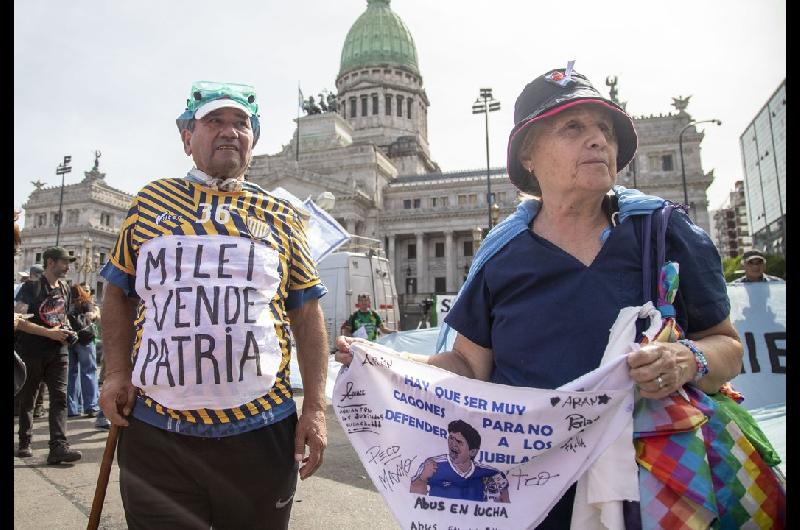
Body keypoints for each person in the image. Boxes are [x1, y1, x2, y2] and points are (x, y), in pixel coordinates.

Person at [338, 66, 743, 527]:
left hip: (653, 484)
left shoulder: (665, 233)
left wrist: (686, 360)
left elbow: (727, 346)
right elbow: (470, 367)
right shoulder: (501, 256)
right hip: (533, 494)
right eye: (573, 127)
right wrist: (383, 362)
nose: (598, 141)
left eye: (605, 129)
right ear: (528, 155)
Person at [98, 80, 330, 529]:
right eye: (214, 121)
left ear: (254, 140)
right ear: (187, 138)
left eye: (241, 123)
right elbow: (117, 292)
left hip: (259, 432)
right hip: (158, 433)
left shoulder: (280, 215)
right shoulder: (149, 203)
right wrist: (115, 374)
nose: (229, 131)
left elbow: (307, 312)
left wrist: (315, 408)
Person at [14, 246, 83, 464]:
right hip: (32, 351)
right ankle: (24, 442)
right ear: (50, 262)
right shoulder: (31, 288)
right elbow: (17, 320)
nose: (68, 266)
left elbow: (64, 317)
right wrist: (48, 333)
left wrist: (69, 332)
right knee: (29, 398)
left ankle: (58, 448)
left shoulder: (65, 288)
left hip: (59, 352)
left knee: (60, 398)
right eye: (64, 262)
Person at [410, 419, 509, 503]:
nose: (453, 444)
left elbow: (504, 506)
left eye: (459, 442)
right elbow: (413, 498)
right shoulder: (433, 465)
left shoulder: (491, 473)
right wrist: (422, 478)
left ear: (472, 451)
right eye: (451, 438)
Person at [66, 283, 100, 418]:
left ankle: (72, 408)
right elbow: (91, 316)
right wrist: (94, 312)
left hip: (69, 340)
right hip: (85, 341)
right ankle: (91, 406)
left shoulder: (66, 303)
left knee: (71, 374)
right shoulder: (85, 302)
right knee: (89, 372)